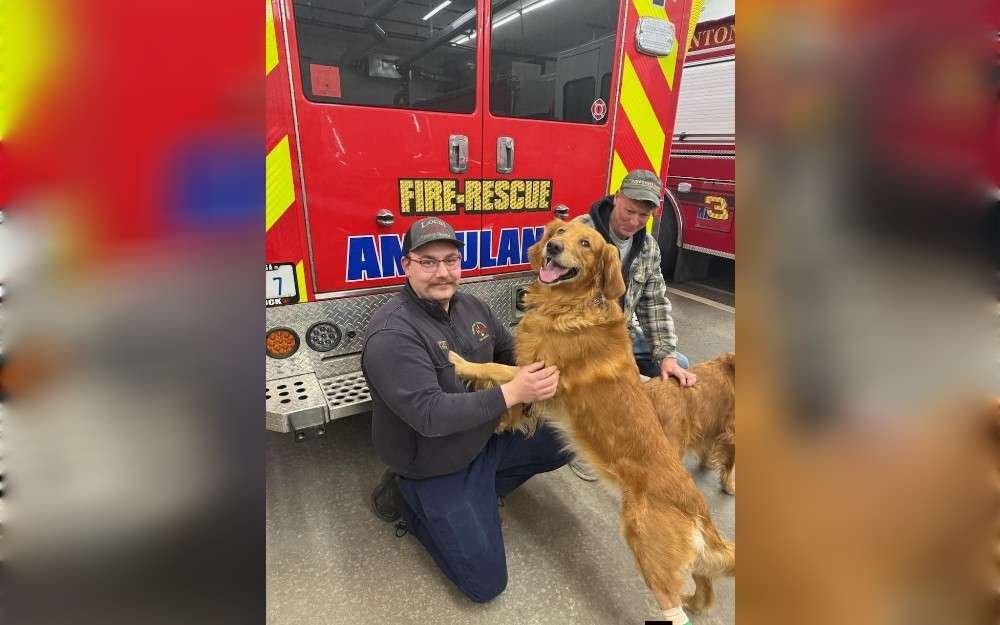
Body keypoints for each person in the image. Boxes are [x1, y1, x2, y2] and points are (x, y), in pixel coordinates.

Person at [363, 216, 571, 603]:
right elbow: (429, 415)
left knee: (570, 437)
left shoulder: (472, 305)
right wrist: (511, 393)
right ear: (406, 265)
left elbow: (512, 354)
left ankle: (481, 492)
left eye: (451, 260)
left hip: (485, 440)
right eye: (428, 262)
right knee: (485, 585)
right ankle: (409, 499)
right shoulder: (393, 333)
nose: (442, 272)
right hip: (436, 462)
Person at [569, 169, 698, 481]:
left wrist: (665, 354)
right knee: (607, 385)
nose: (634, 221)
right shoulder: (578, 234)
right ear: (616, 199)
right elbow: (559, 302)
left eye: (643, 215)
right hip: (580, 339)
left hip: (623, 335)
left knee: (678, 366)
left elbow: (654, 302)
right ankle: (584, 446)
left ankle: (642, 438)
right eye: (629, 211)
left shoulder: (648, 247)